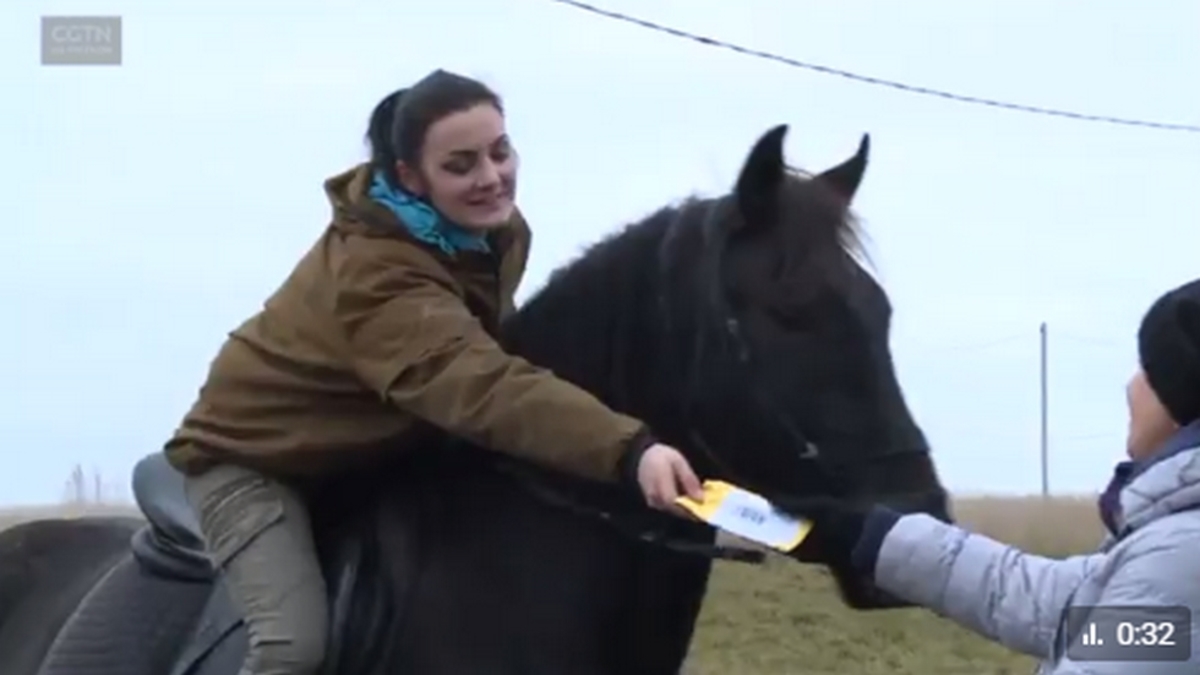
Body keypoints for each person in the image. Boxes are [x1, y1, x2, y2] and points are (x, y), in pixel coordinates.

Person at [161, 69, 704, 675]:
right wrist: (629, 450)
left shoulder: (489, 233)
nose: (492, 177)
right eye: (461, 164)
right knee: (294, 645)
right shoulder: (376, 273)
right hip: (254, 464)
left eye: (500, 152)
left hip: (369, 448)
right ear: (409, 177)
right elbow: (477, 382)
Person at [771, 278, 1200, 673]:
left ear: (1182, 401)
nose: (1131, 385)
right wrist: (863, 535)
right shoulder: (1173, 558)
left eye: (1148, 368)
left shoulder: (1181, 559)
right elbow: (1057, 607)